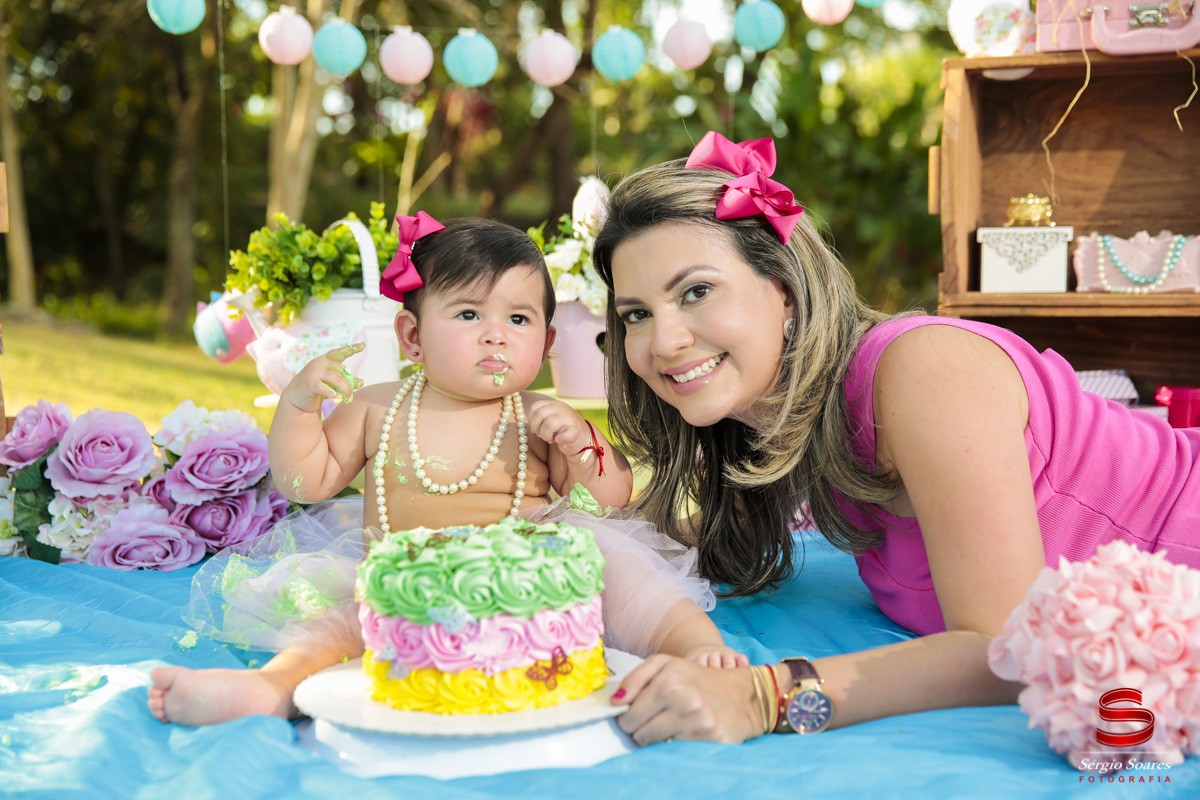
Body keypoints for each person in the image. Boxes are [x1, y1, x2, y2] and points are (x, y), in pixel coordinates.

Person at [593, 131, 1200, 744]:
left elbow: (1006, 645)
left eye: (696, 291)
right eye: (636, 314)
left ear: (784, 289)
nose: (662, 341)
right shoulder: (781, 425)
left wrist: (763, 698)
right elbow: (708, 541)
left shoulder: (923, 369)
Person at [148, 215, 744, 727]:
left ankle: (694, 648)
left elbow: (607, 502)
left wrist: (581, 450)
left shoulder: (538, 413)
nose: (495, 335)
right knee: (341, 618)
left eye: (518, 320)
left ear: (547, 339)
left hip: (529, 579)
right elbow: (308, 483)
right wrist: (299, 409)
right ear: (412, 336)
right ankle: (274, 687)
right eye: (466, 314)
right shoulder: (376, 407)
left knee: (621, 567)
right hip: (403, 578)